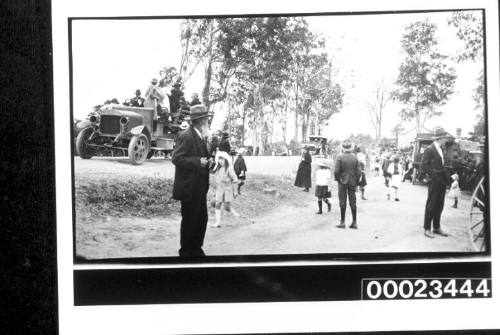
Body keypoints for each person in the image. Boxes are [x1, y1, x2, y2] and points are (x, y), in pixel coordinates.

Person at [171, 105, 213, 257]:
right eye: (207, 118)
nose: (208, 121)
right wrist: (198, 162)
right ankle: (186, 253)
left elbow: (201, 157)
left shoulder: (200, 135)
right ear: (201, 120)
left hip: (199, 188)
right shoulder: (186, 135)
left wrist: (210, 163)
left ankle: (196, 249)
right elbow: (176, 159)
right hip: (189, 188)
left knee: (201, 219)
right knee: (190, 221)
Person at [421, 127, 451, 238]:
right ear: (440, 138)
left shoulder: (441, 149)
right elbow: (423, 165)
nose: (446, 140)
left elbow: (441, 165)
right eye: (445, 138)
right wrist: (433, 175)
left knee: (440, 204)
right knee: (431, 204)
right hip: (434, 181)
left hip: (442, 180)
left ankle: (437, 227)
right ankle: (427, 228)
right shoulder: (430, 149)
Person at [334, 141, 361, 229]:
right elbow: (359, 172)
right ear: (351, 148)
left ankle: (342, 222)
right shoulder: (355, 158)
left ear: (343, 148)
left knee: (342, 201)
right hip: (352, 181)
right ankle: (354, 222)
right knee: (353, 201)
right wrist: (357, 182)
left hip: (342, 181)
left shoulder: (340, 157)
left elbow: (336, 171)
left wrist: (338, 179)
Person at [212, 150, 240, 228]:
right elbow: (217, 181)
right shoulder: (218, 168)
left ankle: (236, 215)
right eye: (219, 159)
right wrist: (215, 191)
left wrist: (235, 191)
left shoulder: (229, 169)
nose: (221, 161)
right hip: (220, 190)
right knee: (217, 204)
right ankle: (218, 222)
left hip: (227, 190)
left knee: (227, 207)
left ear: (226, 160)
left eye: (222, 159)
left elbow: (235, 180)